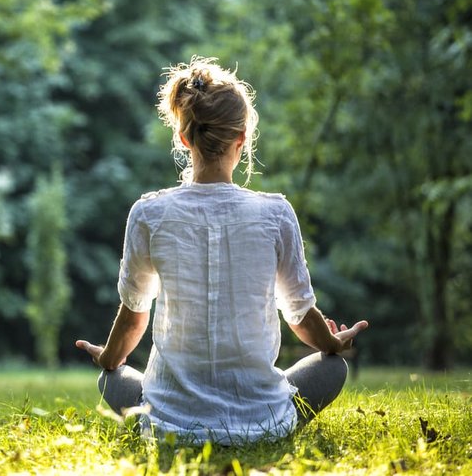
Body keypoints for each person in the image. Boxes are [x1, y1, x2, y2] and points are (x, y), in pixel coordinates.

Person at [75, 56, 368, 445]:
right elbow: (299, 315)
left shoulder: (148, 213)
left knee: (109, 378)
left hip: (170, 426)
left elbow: (133, 318)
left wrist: (109, 358)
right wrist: (333, 343)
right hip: (261, 420)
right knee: (333, 370)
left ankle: (168, 415)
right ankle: (264, 426)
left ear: (184, 138)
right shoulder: (275, 213)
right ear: (241, 139)